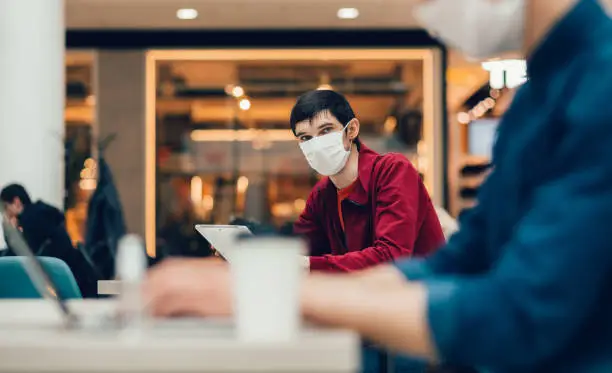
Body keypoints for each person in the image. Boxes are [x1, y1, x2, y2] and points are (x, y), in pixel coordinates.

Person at [145, 0, 612, 371]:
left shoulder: (600, 85)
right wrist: (265, 273)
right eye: (303, 139)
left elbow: (522, 312)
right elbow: (465, 258)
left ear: (351, 132)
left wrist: (277, 291)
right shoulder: (539, 93)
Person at [291, 89, 444, 271]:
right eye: (306, 138)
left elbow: (392, 258)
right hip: (368, 296)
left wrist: (309, 264)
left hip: (426, 293)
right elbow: (297, 247)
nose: (316, 145)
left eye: (326, 130)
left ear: (352, 129)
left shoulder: (393, 170)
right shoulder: (322, 195)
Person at [1, 184, 97, 296]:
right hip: (80, 275)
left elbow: (21, 252)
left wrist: (9, 231)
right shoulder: (42, 214)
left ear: (16, 202)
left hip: (74, 281)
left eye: (5, 208)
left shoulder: (30, 221)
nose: (4, 213)